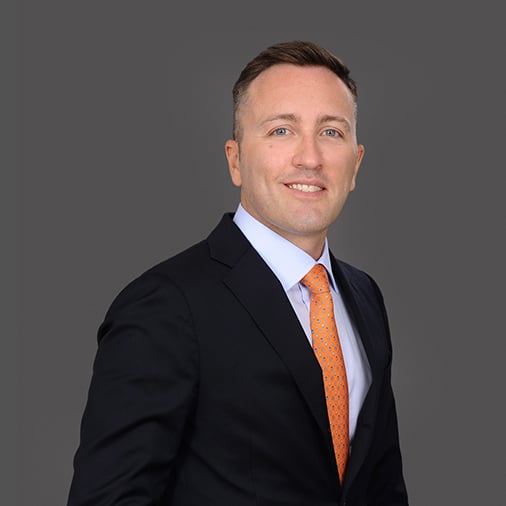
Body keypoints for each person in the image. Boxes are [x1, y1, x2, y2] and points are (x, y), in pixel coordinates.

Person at [67, 40, 408, 506]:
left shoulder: (365, 298)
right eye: (282, 130)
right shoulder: (166, 306)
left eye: (331, 132)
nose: (310, 158)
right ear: (235, 160)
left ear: (355, 163)